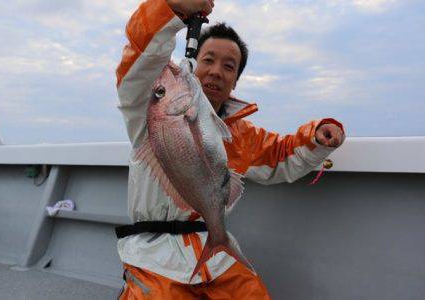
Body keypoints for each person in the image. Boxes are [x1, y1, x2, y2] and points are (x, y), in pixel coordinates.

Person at [115, 0, 345, 298]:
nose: (215, 72)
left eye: (229, 66)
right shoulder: (148, 107)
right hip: (153, 256)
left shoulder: (241, 134)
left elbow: (280, 154)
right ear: (194, 64)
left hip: (216, 253)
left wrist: (316, 136)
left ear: (236, 80)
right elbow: (140, 57)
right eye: (208, 60)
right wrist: (172, 8)